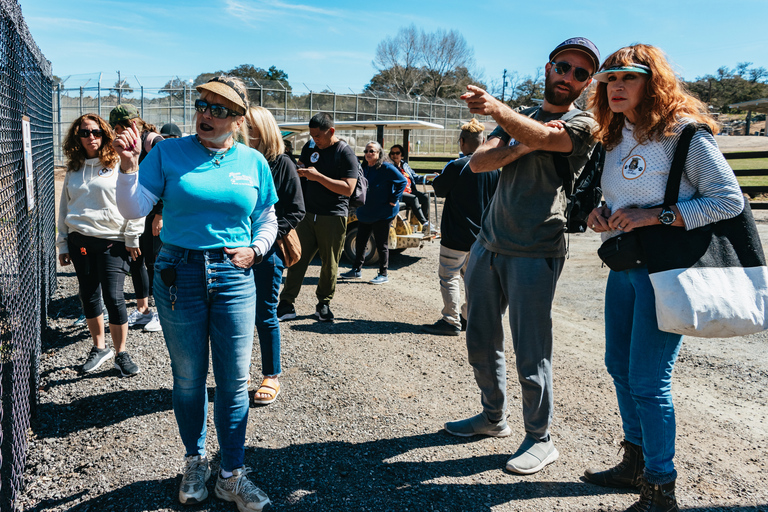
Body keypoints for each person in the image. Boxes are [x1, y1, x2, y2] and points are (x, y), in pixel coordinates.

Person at [581, 44, 744, 512]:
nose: (615, 86)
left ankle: (660, 485)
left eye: (627, 77)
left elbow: (729, 201)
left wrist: (658, 217)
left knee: (649, 381)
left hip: (667, 274)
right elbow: (619, 197)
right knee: (618, 367)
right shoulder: (614, 136)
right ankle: (634, 463)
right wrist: (602, 213)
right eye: (609, 78)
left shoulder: (684, 134)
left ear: (652, 82)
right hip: (625, 270)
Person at [115, 75, 278, 512]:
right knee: (188, 378)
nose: (207, 114)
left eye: (220, 109)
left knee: (234, 382)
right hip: (178, 273)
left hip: (233, 275)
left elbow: (267, 216)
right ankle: (194, 461)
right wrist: (129, 167)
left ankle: (231, 476)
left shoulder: (253, 162)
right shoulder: (168, 152)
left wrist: (257, 249)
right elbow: (133, 208)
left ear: (239, 119)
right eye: (203, 104)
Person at [443, 37, 600, 475]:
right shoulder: (525, 118)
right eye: (562, 67)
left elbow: (549, 141)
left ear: (587, 83)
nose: (568, 77)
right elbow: (477, 163)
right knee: (480, 340)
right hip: (488, 244)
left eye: (580, 73)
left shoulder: (585, 122)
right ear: (548, 68)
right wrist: (524, 143)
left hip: (536, 248)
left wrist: (502, 118)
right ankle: (493, 418)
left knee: (531, 351)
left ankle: (540, 438)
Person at [57, 113, 143, 377]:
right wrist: (63, 243)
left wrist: (132, 237)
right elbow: (64, 208)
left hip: (112, 241)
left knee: (114, 297)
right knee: (89, 295)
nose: (90, 137)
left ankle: (121, 353)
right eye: (84, 133)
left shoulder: (118, 162)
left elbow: (135, 199)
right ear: (77, 137)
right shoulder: (74, 168)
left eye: (95, 132)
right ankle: (99, 347)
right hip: (79, 240)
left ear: (104, 134)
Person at [246, 106, 305, 406]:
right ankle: (239, 371)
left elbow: (296, 210)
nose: (244, 131)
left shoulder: (281, 164)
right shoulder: (237, 159)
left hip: (267, 251)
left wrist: (263, 235)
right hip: (232, 251)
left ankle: (271, 375)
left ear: (265, 130)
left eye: (251, 127)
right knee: (234, 315)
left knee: (264, 314)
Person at [276, 112, 358, 322]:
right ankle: (286, 303)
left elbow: (348, 188)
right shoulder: (310, 147)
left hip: (332, 215)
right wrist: (300, 171)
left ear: (331, 131)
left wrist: (317, 177)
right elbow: (302, 168)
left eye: (318, 136)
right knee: (296, 258)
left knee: (330, 263)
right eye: (312, 136)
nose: (315, 140)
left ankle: (323, 304)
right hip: (307, 213)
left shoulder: (345, 152)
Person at [422, 118, 499, 336]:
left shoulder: (457, 166)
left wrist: (438, 178)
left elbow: (439, 189)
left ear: (462, 141)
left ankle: (450, 320)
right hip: (482, 237)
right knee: (472, 280)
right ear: (483, 140)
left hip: (456, 234)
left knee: (449, 277)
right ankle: (467, 317)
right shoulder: (494, 168)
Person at [109, 104, 163, 332]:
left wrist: (160, 214)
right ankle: (143, 311)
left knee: (155, 262)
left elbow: (166, 175)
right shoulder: (131, 142)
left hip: (155, 213)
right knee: (137, 260)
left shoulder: (153, 141)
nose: (116, 134)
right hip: (139, 210)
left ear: (127, 125)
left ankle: (162, 312)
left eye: (117, 128)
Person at [340, 142, 407, 284]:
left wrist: (393, 199)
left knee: (381, 243)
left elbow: (402, 181)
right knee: (360, 241)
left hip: (383, 213)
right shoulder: (363, 168)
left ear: (379, 153)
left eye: (372, 151)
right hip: (365, 211)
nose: (368, 153)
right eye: (366, 151)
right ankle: (356, 270)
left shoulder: (387, 167)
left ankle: (383, 273)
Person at [388, 144, 431, 229]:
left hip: (409, 191)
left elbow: (415, 177)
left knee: (425, 197)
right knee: (414, 198)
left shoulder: (405, 165)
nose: (395, 155)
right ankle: (424, 223)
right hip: (398, 192)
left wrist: (427, 178)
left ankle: (426, 223)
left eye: (397, 153)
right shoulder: (390, 166)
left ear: (402, 155)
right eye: (392, 153)